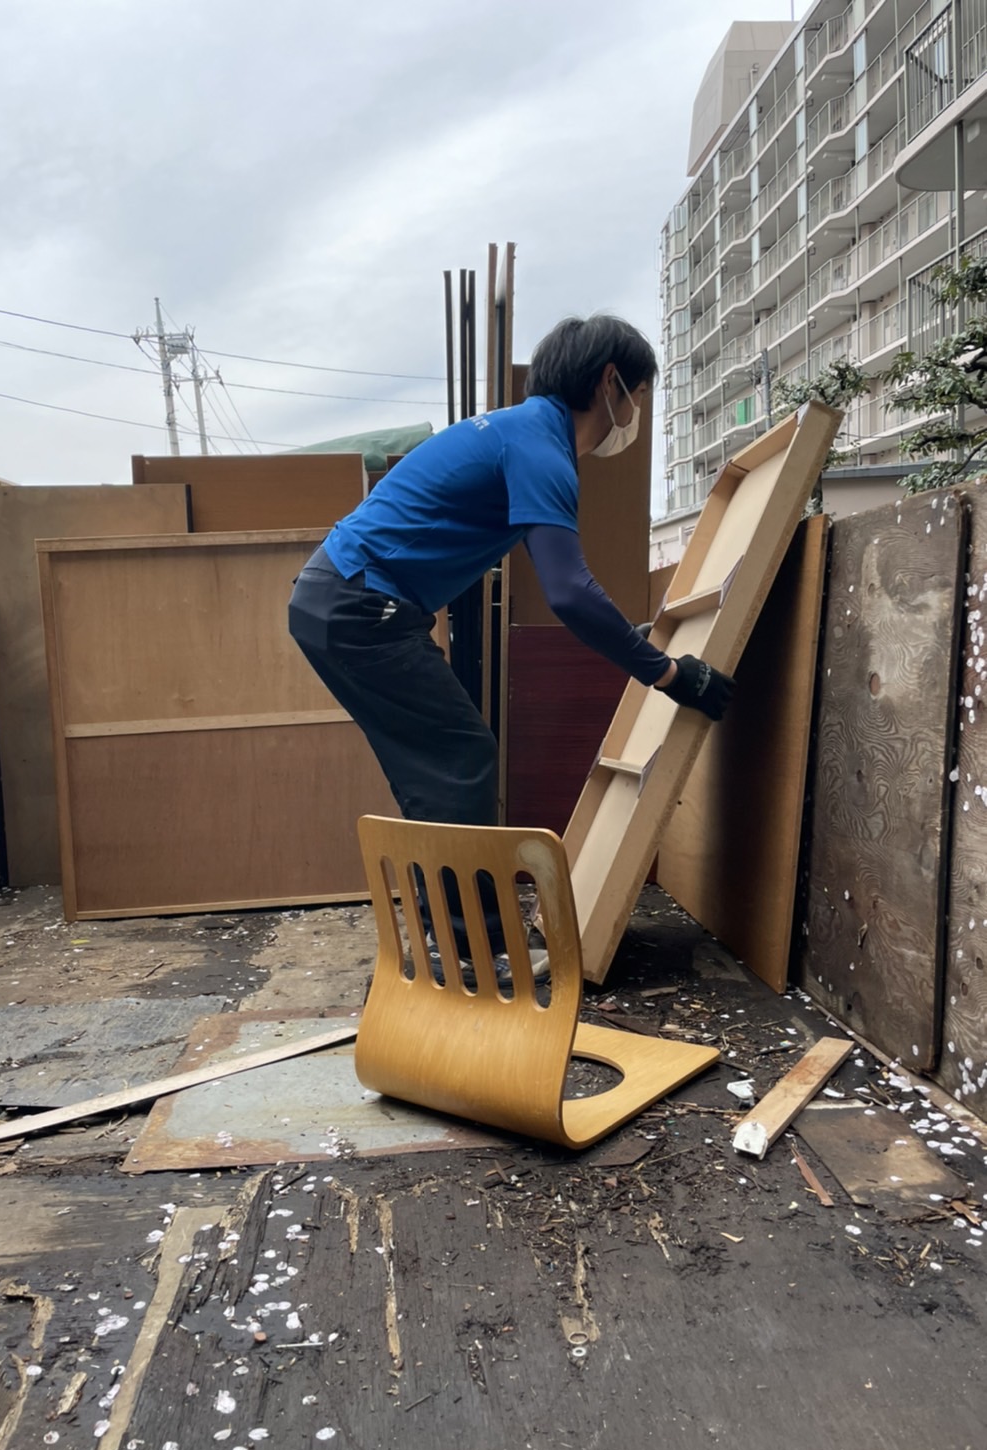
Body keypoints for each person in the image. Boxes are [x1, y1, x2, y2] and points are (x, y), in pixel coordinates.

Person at [288, 313, 734, 976]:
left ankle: (449, 938)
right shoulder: (539, 449)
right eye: (639, 395)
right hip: (360, 605)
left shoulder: (516, 432)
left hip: (349, 600)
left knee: (434, 771)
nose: (636, 413)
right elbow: (570, 592)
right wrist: (668, 673)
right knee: (459, 757)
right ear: (611, 383)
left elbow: (556, 586)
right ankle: (469, 951)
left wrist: (626, 641)